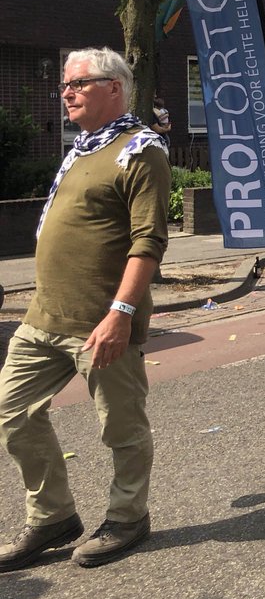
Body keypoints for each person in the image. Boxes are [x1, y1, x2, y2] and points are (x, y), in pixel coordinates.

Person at [0, 48, 169, 570]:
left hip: (101, 323)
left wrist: (120, 312)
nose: (66, 92)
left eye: (77, 84)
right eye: (64, 87)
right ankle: (52, 517)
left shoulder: (140, 150)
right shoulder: (83, 148)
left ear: (113, 87)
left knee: (120, 427)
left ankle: (127, 517)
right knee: (12, 413)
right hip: (42, 317)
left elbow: (148, 241)